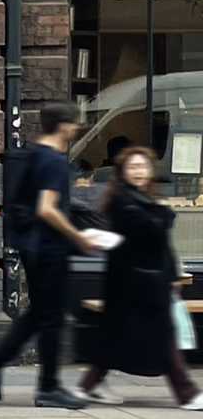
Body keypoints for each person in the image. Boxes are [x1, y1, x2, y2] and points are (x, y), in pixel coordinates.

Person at [0, 101, 97, 410]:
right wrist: (78, 236)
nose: (76, 128)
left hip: (32, 244)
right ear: (63, 126)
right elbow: (47, 209)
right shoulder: (53, 161)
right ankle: (48, 387)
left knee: (42, 314)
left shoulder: (32, 154)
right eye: (74, 124)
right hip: (49, 247)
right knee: (52, 317)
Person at [75, 147, 203, 410]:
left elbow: (161, 243)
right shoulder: (123, 200)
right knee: (162, 337)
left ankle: (89, 385)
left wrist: (171, 277)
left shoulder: (141, 199)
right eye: (132, 167)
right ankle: (187, 393)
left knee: (118, 339)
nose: (138, 171)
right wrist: (164, 213)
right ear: (123, 171)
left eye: (142, 166)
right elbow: (152, 229)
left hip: (145, 281)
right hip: (134, 284)